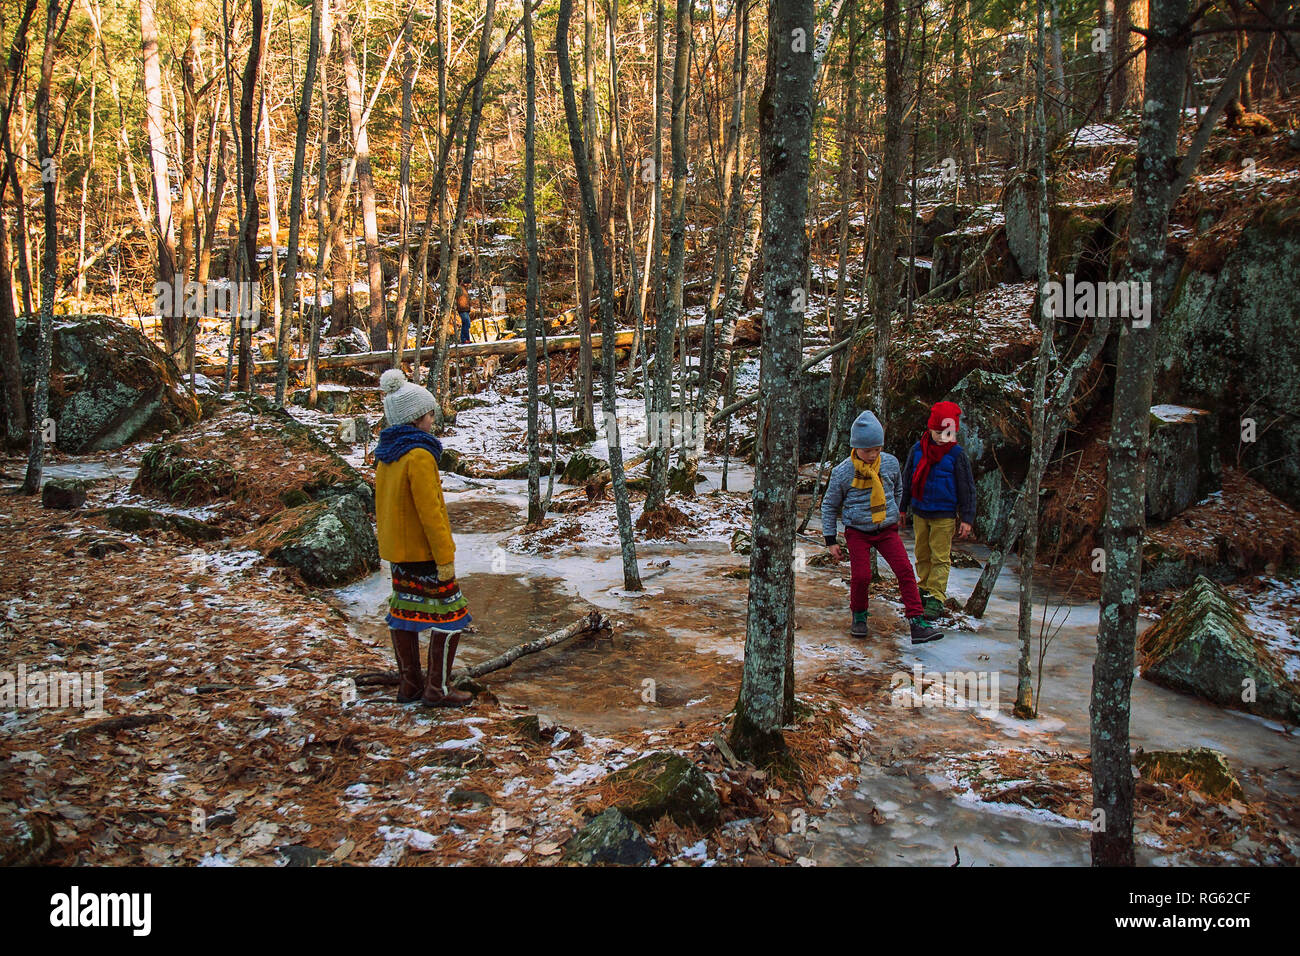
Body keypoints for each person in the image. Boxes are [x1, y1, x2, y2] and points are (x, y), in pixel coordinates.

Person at [374, 368, 473, 707]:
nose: (434, 419)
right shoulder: (419, 455)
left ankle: (410, 684)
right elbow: (432, 512)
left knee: (405, 613)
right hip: (424, 554)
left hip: (398, 554)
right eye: (430, 413)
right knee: (452, 618)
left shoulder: (387, 454)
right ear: (417, 418)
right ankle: (438, 689)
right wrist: (445, 556)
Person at [822, 410, 945, 644]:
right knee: (861, 576)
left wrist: (892, 512)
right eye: (867, 450)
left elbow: (898, 489)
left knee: (905, 571)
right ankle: (859, 616)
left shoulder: (889, 463)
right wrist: (830, 540)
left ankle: (917, 622)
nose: (872, 455)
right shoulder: (843, 472)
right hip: (857, 531)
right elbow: (829, 505)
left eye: (876, 449)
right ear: (855, 447)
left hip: (886, 530)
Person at [900, 400, 976, 621]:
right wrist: (902, 509)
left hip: (944, 514)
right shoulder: (917, 450)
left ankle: (936, 596)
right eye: (939, 432)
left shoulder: (957, 455)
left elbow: (967, 488)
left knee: (940, 556)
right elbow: (907, 481)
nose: (944, 437)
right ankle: (922, 588)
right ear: (930, 429)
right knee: (922, 553)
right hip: (921, 511)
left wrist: (967, 518)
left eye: (948, 433)